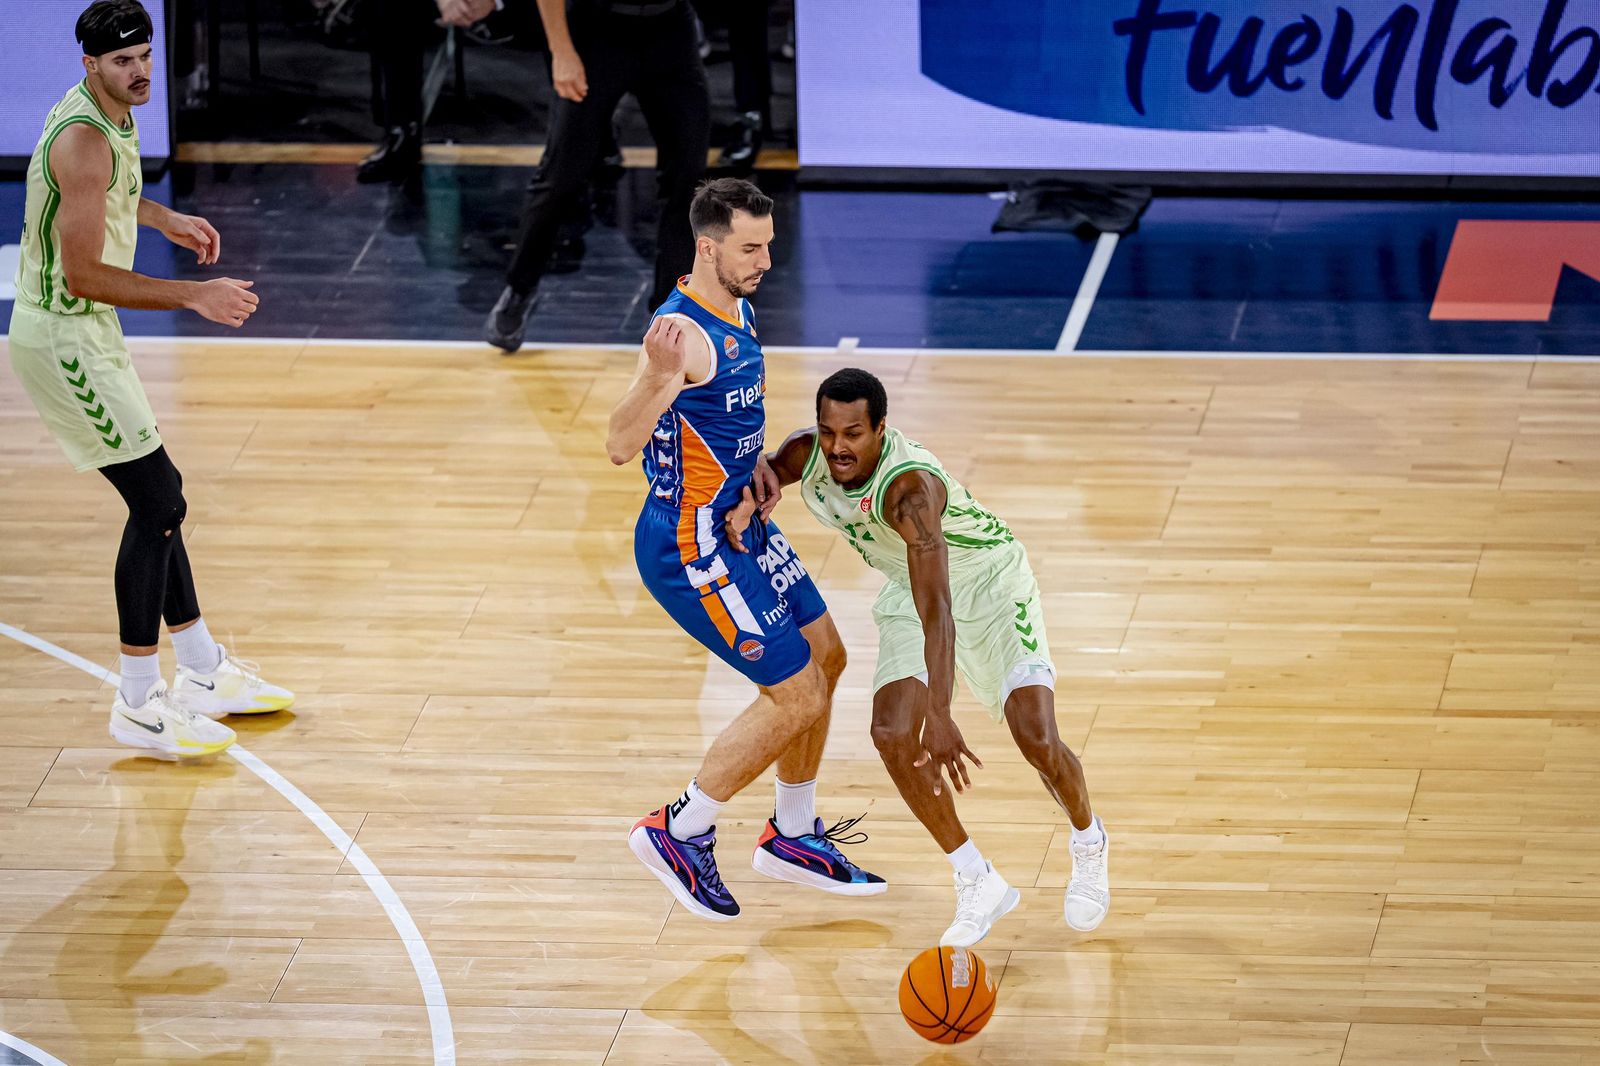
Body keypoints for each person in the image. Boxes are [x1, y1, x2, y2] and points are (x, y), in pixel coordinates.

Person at [7, 0, 295, 758]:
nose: (138, 74)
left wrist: (165, 222)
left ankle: (201, 671)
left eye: (144, 57)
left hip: (88, 336)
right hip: (64, 339)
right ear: (87, 65)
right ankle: (137, 699)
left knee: (161, 502)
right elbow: (83, 273)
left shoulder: (112, 118)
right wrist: (194, 294)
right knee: (158, 501)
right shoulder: (80, 140)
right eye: (120, 63)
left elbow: (113, 194)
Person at [736, 368, 1110, 946]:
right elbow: (760, 475)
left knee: (1036, 737)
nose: (839, 446)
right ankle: (975, 879)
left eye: (854, 433)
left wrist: (940, 711)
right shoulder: (808, 454)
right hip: (910, 593)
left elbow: (941, 613)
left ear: (882, 430)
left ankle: (1088, 841)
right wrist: (746, 494)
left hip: (989, 584)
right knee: (889, 731)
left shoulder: (909, 493)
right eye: (829, 430)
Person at [606, 179, 883, 920]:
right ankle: (680, 826)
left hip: (739, 519)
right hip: (691, 545)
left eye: (768, 243)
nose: (766, 258)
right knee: (795, 693)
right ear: (708, 246)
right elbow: (619, 443)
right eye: (750, 247)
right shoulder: (681, 336)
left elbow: (713, 427)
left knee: (827, 656)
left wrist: (753, 470)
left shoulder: (736, 306)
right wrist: (658, 379)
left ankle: (792, 833)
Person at [486, 0, 710, 353]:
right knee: (562, 175)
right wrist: (561, 51)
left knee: (689, 176)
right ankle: (519, 288)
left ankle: (670, 313)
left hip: (670, 29)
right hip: (597, 31)